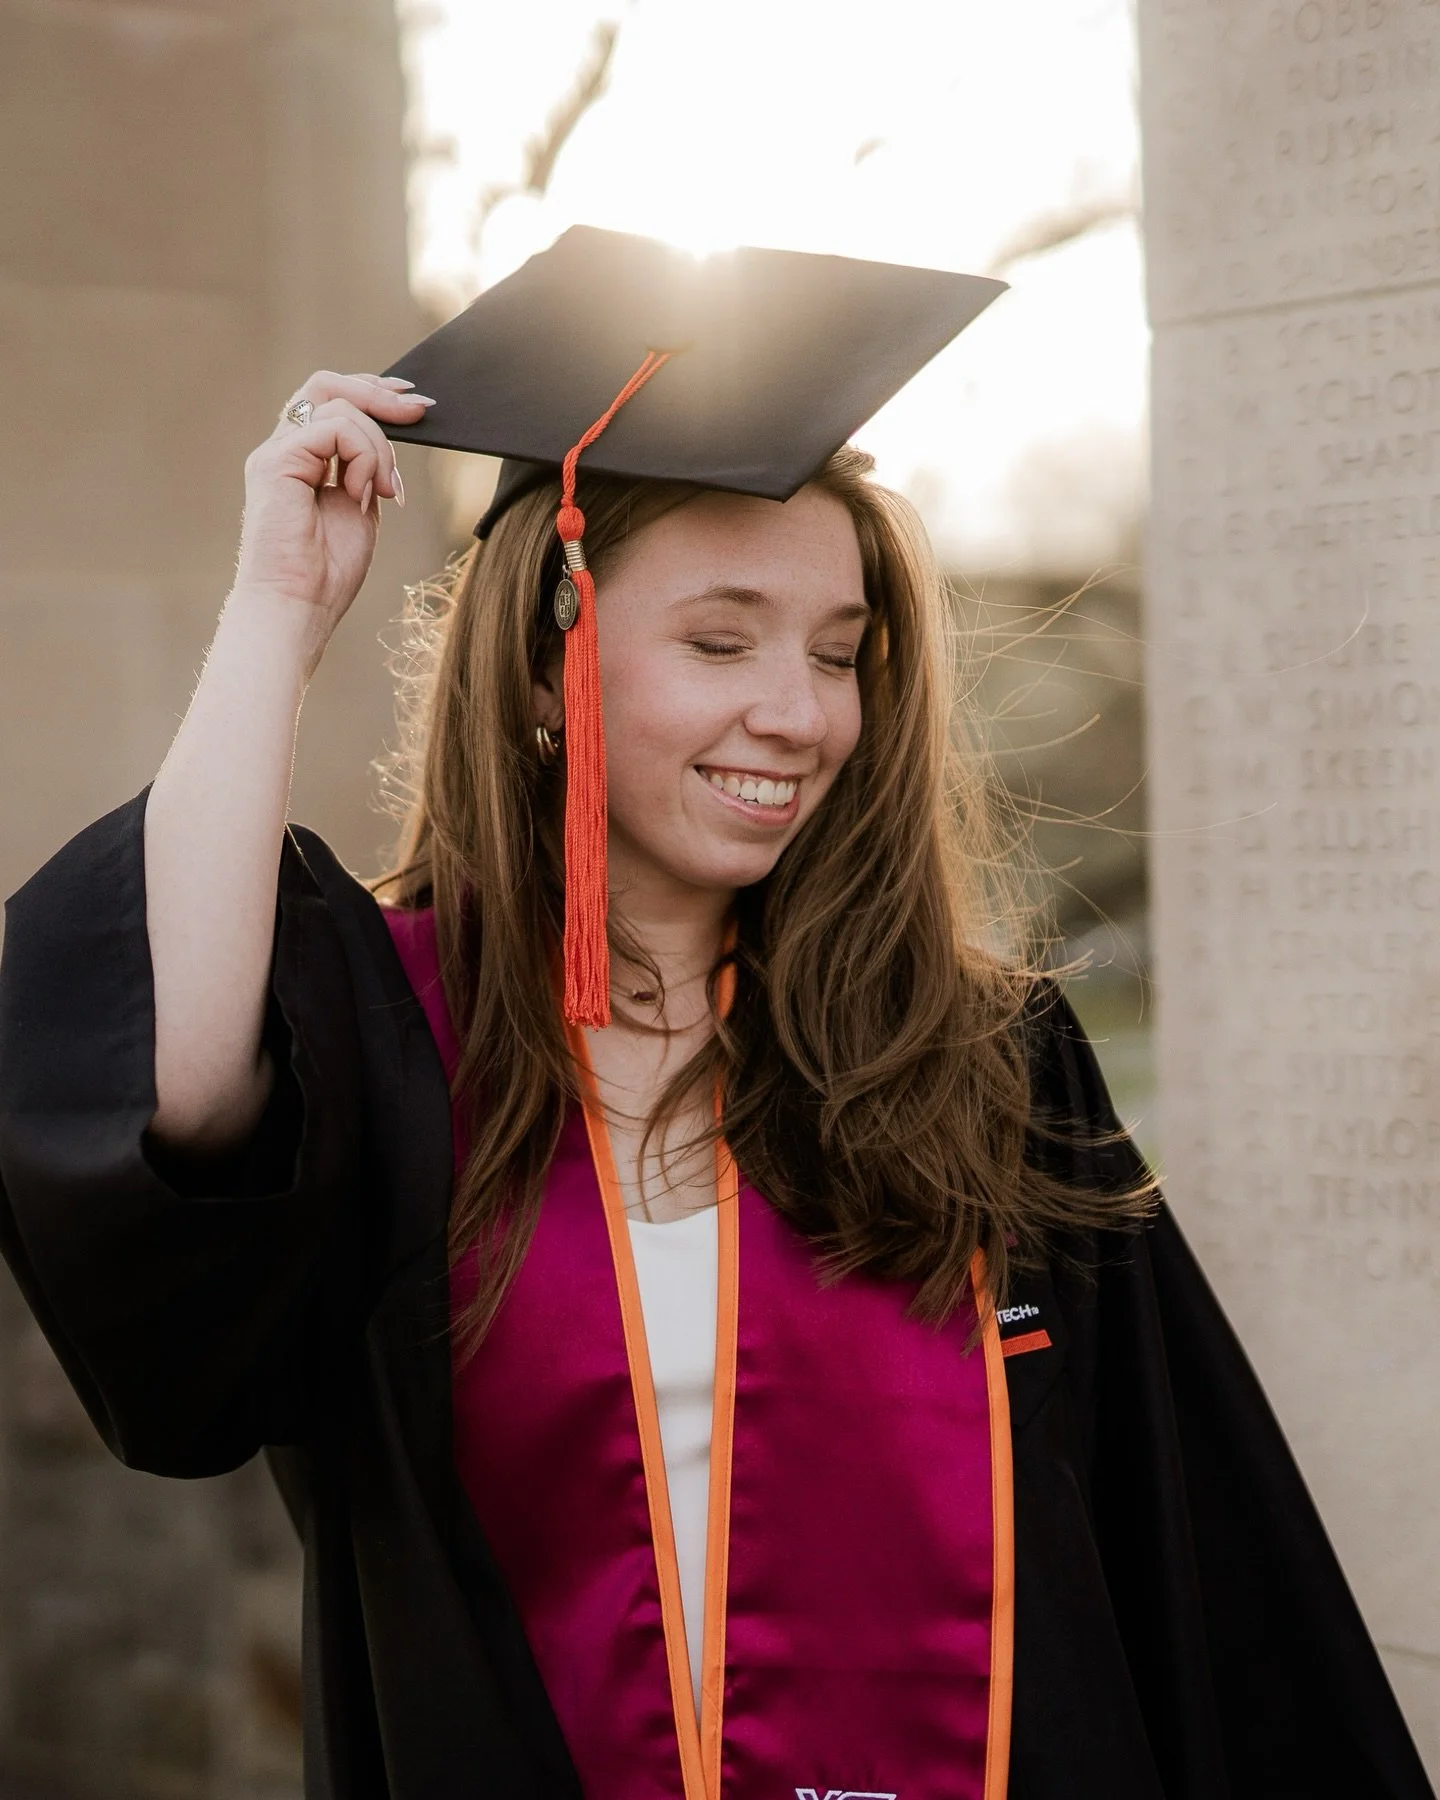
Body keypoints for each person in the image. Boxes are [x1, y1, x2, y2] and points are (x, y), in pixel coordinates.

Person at [0, 229, 1431, 1800]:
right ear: (552, 668)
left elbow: (1198, 1575)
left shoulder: (975, 1060)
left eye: (840, 654)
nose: (799, 714)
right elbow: (164, 1096)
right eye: (719, 638)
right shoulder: (401, 1044)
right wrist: (282, 600)